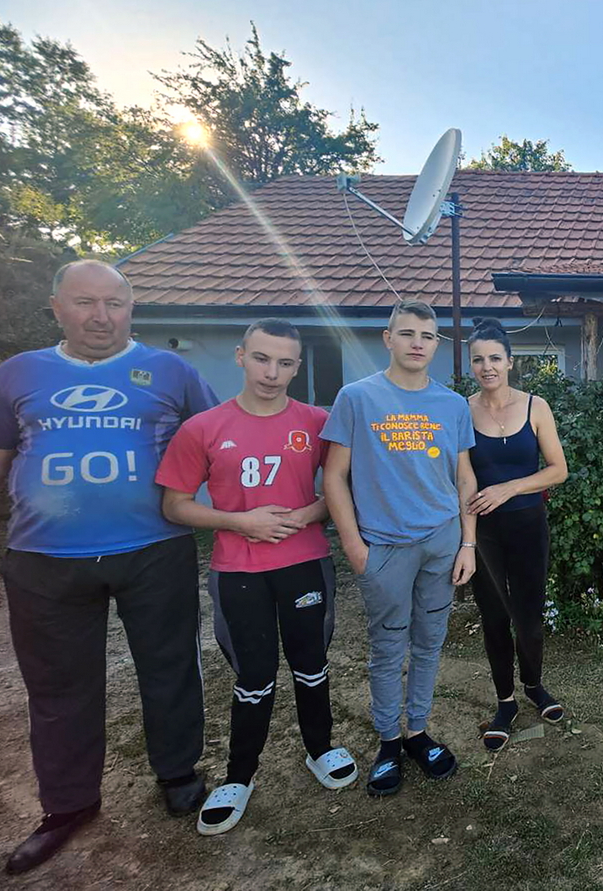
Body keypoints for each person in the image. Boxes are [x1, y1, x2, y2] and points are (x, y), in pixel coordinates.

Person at [0, 260, 217, 875]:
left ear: (131, 309)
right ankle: (67, 805)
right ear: (57, 307)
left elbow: (218, 440)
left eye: (114, 304)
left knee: (170, 667)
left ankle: (177, 773)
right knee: (58, 686)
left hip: (154, 549)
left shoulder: (172, 372)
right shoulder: (15, 374)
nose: (101, 316)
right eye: (85, 302)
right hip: (44, 559)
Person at [156, 318, 357, 836]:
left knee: (311, 664)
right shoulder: (203, 427)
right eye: (263, 359)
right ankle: (239, 776)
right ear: (241, 356)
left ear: (297, 366)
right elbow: (175, 505)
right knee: (254, 675)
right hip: (238, 571)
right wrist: (239, 521)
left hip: (305, 564)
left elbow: (343, 486)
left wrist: (310, 514)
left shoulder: (317, 421)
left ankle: (320, 748)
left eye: (285, 363)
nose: (272, 373)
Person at [321, 301, 477, 796]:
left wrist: (468, 542)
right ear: (387, 339)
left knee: (429, 643)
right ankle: (388, 741)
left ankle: (417, 732)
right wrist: (354, 546)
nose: (417, 343)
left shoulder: (452, 404)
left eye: (427, 336)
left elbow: (464, 476)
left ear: (436, 344)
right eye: (407, 333)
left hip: (441, 543)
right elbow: (334, 476)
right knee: (388, 647)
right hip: (384, 547)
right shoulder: (357, 397)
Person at [465, 321, 569, 750]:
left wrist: (509, 488)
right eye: (478, 359)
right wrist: (467, 542)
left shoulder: (535, 407)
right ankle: (505, 702)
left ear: (509, 362)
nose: (487, 366)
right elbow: (464, 483)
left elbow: (558, 470)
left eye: (495, 358)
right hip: (485, 532)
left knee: (528, 614)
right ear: (471, 365)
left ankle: (534, 685)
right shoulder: (462, 410)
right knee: (493, 616)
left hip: (528, 525)